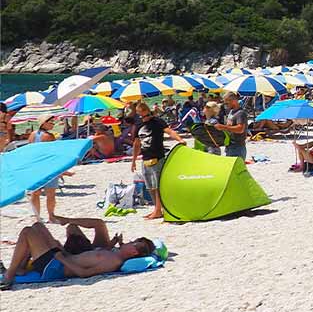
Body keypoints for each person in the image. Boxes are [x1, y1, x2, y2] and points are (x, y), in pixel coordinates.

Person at [1, 220, 154, 289]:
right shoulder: (112, 254)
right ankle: (19, 268)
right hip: (61, 259)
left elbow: (83, 273)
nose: (130, 241)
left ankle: (9, 276)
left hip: (55, 268)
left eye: (133, 243)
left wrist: (61, 257)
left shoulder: (113, 262)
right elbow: (81, 259)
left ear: (134, 252)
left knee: (27, 232)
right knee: (38, 226)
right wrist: (62, 250)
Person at [131, 101, 186, 221]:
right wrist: (133, 160)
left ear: (148, 112)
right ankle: (157, 209)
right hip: (145, 158)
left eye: (145, 115)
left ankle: (158, 210)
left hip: (157, 156)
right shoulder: (139, 124)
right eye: (140, 115)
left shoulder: (157, 122)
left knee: (157, 185)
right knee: (150, 186)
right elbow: (136, 144)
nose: (143, 118)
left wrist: (180, 139)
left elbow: (170, 131)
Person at [26, 115, 69, 220]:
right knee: (50, 194)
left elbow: (30, 151)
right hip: (48, 166)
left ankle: (37, 217)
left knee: (35, 194)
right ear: (43, 123)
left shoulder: (32, 135)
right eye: (51, 122)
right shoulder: (49, 136)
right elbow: (54, 153)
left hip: (35, 166)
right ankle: (51, 216)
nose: (53, 124)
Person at [215, 93, 248, 159]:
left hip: (237, 146)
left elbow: (240, 129)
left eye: (227, 103)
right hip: (230, 145)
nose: (226, 105)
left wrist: (223, 127)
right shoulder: (231, 112)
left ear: (234, 101)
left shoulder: (240, 113)